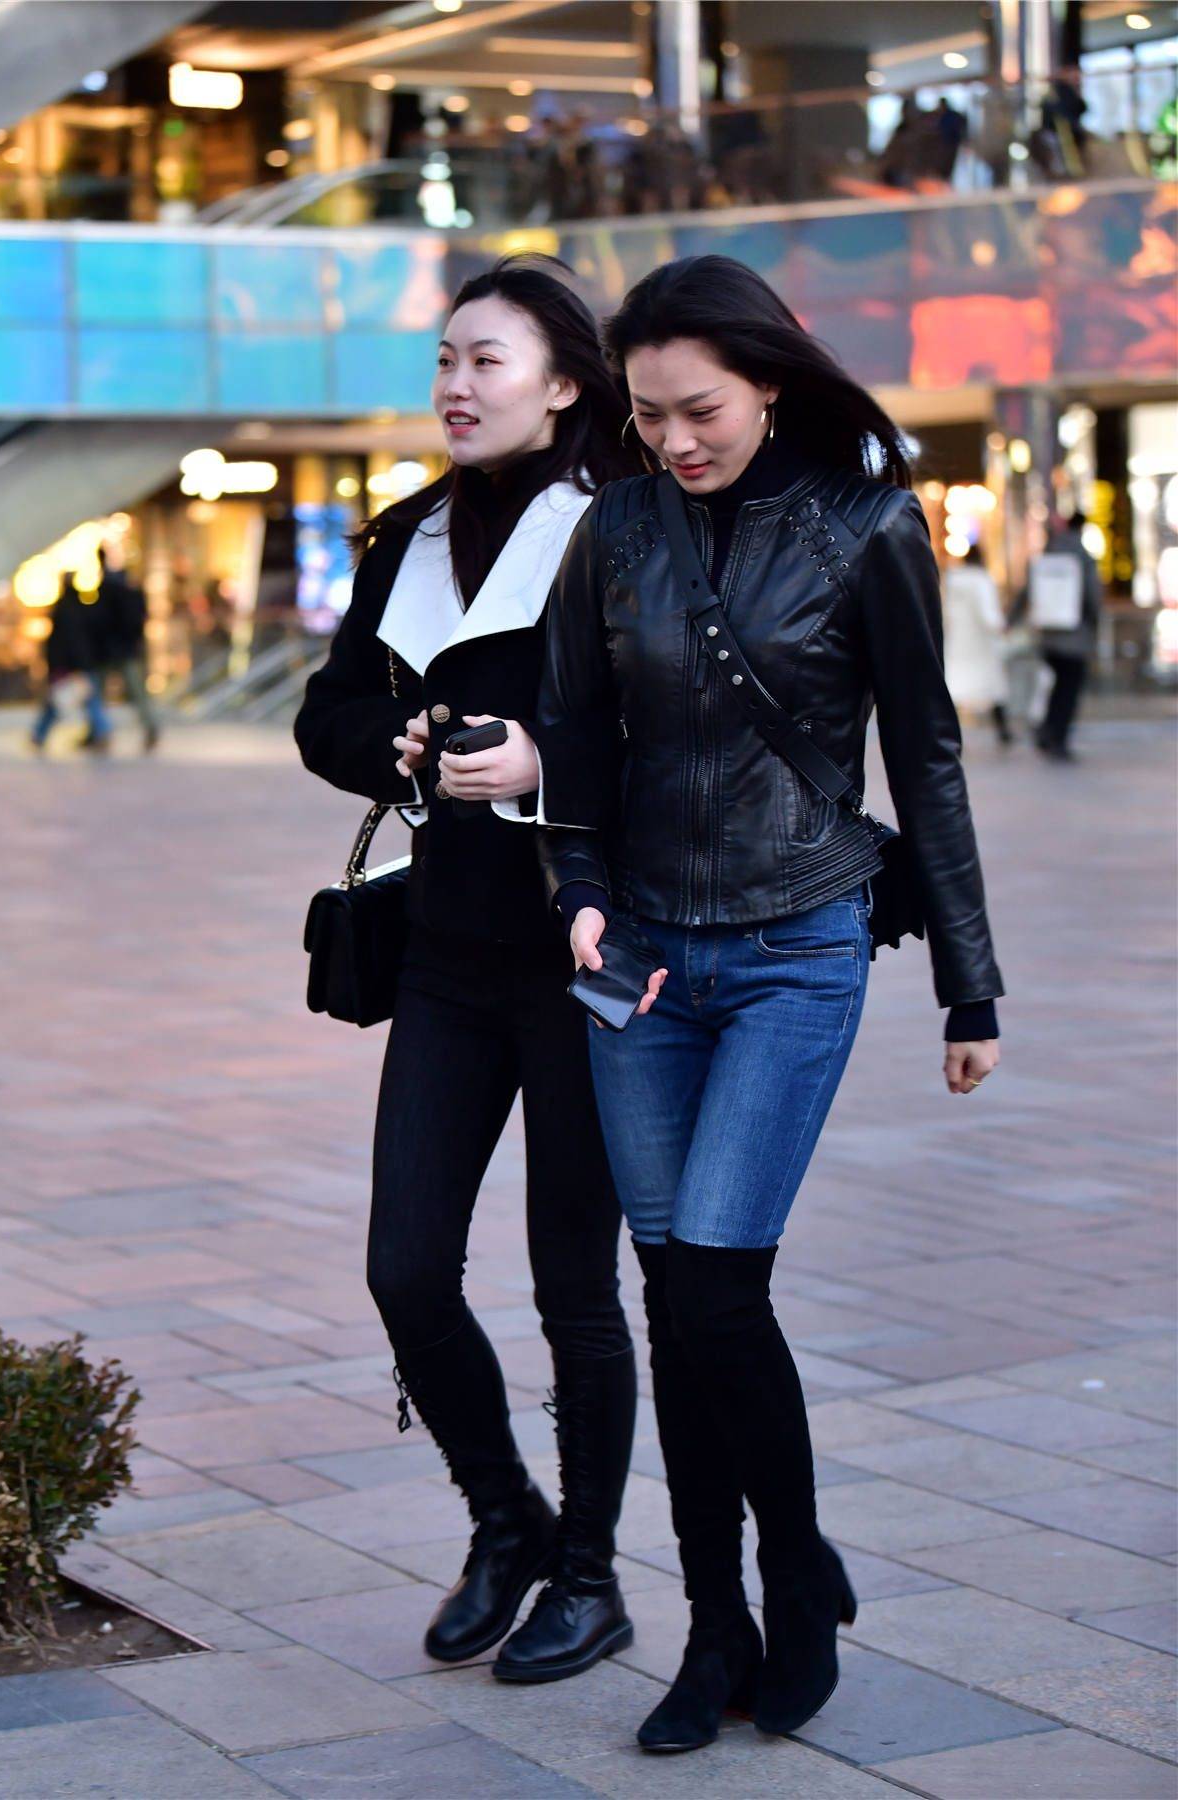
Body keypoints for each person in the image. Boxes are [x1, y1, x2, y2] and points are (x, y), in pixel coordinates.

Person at [533, 254, 1003, 1754]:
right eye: (648, 414)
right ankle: (714, 1623)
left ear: (770, 385)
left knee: (717, 1290)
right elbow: (572, 728)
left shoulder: (866, 525)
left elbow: (925, 755)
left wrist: (971, 986)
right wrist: (577, 887)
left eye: (703, 411)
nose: (674, 439)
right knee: (677, 1302)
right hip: (639, 966)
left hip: (799, 945)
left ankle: (793, 1582)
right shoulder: (614, 530)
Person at [294, 257, 639, 1685]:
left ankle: (589, 1576)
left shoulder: (620, 525)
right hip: (443, 956)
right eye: (445, 358)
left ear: (561, 385)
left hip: (583, 958)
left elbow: (685, 727)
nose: (455, 383)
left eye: (487, 360)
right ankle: (506, 1518)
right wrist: (396, 746)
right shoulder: (409, 537)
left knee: (575, 1288)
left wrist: (549, 758)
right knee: (405, 1269)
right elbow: (325, 715)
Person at [1021, 509, 1103, 761]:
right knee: (1068, 690)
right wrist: (1094, 625)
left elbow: (1027, 590)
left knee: (1055, 686)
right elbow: (1093, 597)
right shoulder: (1083, 557)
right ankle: (1058, 738)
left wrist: (1013, 619)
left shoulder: (1050, 553)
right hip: (1075, 636)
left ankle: (1047, 732)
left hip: (1048, 633)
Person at [31, 572, 112, 753]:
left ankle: (39, 735)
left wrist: (56, 665)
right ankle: (101, 732)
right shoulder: (82, 606)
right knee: (82, 699)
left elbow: (60, 642)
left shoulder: (63, 609)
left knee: (60, 700)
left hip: (71, 664)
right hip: (84, 662)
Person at [943, 542, 1012, 743]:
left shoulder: (953, 581)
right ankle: (1003, 730)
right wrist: (1000, 627)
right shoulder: (981, 581)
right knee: (993, 687)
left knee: (954, 687)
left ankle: (947, 731)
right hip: (981, 643)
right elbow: (988, 613)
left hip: (958, 641)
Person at [95, 547, 161, 752]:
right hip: (126, 650)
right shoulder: (132, 592)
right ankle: (149, 727)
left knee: (100, 694)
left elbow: (102, 622)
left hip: (111, 650)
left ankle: (100, 732)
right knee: (136, 693)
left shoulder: (108, 591)